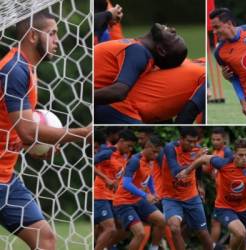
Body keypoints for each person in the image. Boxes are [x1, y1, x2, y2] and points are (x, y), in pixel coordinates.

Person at [0, 10, 91, 250]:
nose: (57, 40)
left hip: (5, 176)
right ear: (32, 36)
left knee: (45, 238)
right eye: (52, 34)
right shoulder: (14, 69)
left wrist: (34, 146)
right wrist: (83, 133)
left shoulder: (27, 68)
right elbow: (30, 131)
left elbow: (19, 131)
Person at [177, 138, 246, 250]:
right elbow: (203, 159)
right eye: (241, 155)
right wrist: (187, 171)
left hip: (243, 209)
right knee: (240, 233)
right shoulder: (223, 163)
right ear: (234, 153)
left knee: (242, 239)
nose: (245, 158)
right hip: (224, 207)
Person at [94, 23, 187, 108]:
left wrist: (84, 98)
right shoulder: (139, 50)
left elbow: (119, 92)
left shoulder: (139, 52)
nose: (174, 29)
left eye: (175, 37)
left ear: (161, 50)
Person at [96, 59, 205, 124]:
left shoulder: (187, 62)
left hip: (107, 101)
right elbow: (188, 113)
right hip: (123, 110)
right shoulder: (203, 74)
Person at [161, 127, 213, 250]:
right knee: (174, 227)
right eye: (189, 141)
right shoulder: (170, 148)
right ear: (181, 139)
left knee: (203, 234)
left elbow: (198, 169)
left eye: (195, 141)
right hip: (171, 197)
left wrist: (199, 184)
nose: (193, 144)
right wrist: (196, 159)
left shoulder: (198, 148)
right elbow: (176, 172)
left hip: (191, 196)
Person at [113, 136, 166, 250]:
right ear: (147, 147)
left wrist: (154, 192)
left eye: (158, 153)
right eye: (154, 152)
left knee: (161, 220)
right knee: (140, 234)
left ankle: (154, 248)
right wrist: (145, 195)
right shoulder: (135, 161)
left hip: (137, 200)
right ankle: (107, 245)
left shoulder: (150, 160)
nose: (156, 155)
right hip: (124, 202)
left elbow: (149, 176)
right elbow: (126, 184)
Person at [94, 129, 137, 250]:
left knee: (125, 228)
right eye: (129, 146)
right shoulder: (108, 152)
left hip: (114, 198)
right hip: (101, 196)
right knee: (110, 229)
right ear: (121, 141)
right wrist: (105, 178)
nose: (130, 149)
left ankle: (105, 246)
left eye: (132, 147)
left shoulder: (124, 156)